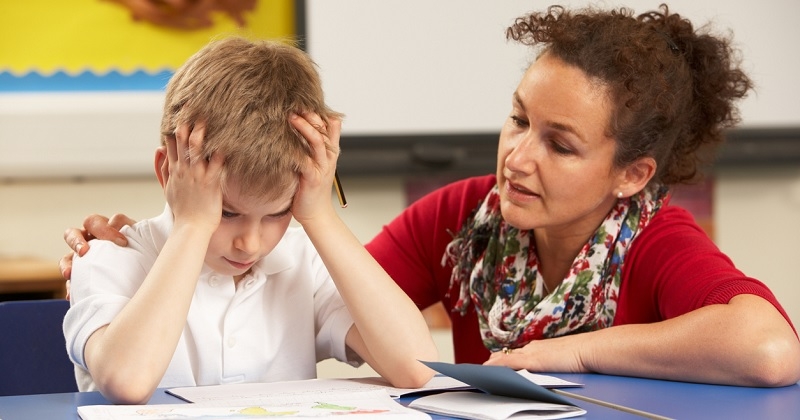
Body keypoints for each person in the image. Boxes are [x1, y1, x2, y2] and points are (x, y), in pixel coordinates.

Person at [62, 5, 800, 387]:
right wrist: (186, 231)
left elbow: (768, 346)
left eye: (560, 144)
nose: (517, 156)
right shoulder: (461, 218)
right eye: (517, 120)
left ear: (631, 174)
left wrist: (563, 355)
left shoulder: (655, 239)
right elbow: (355, 298)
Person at [61, 36, 437, 405]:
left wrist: (320, 215)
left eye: (277, 213)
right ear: (168, 172)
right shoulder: (107, 256)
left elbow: (418, 369)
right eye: (226, 213)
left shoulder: (304, 262)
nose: (250, 243)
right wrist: (193, 225)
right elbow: (127, 382)